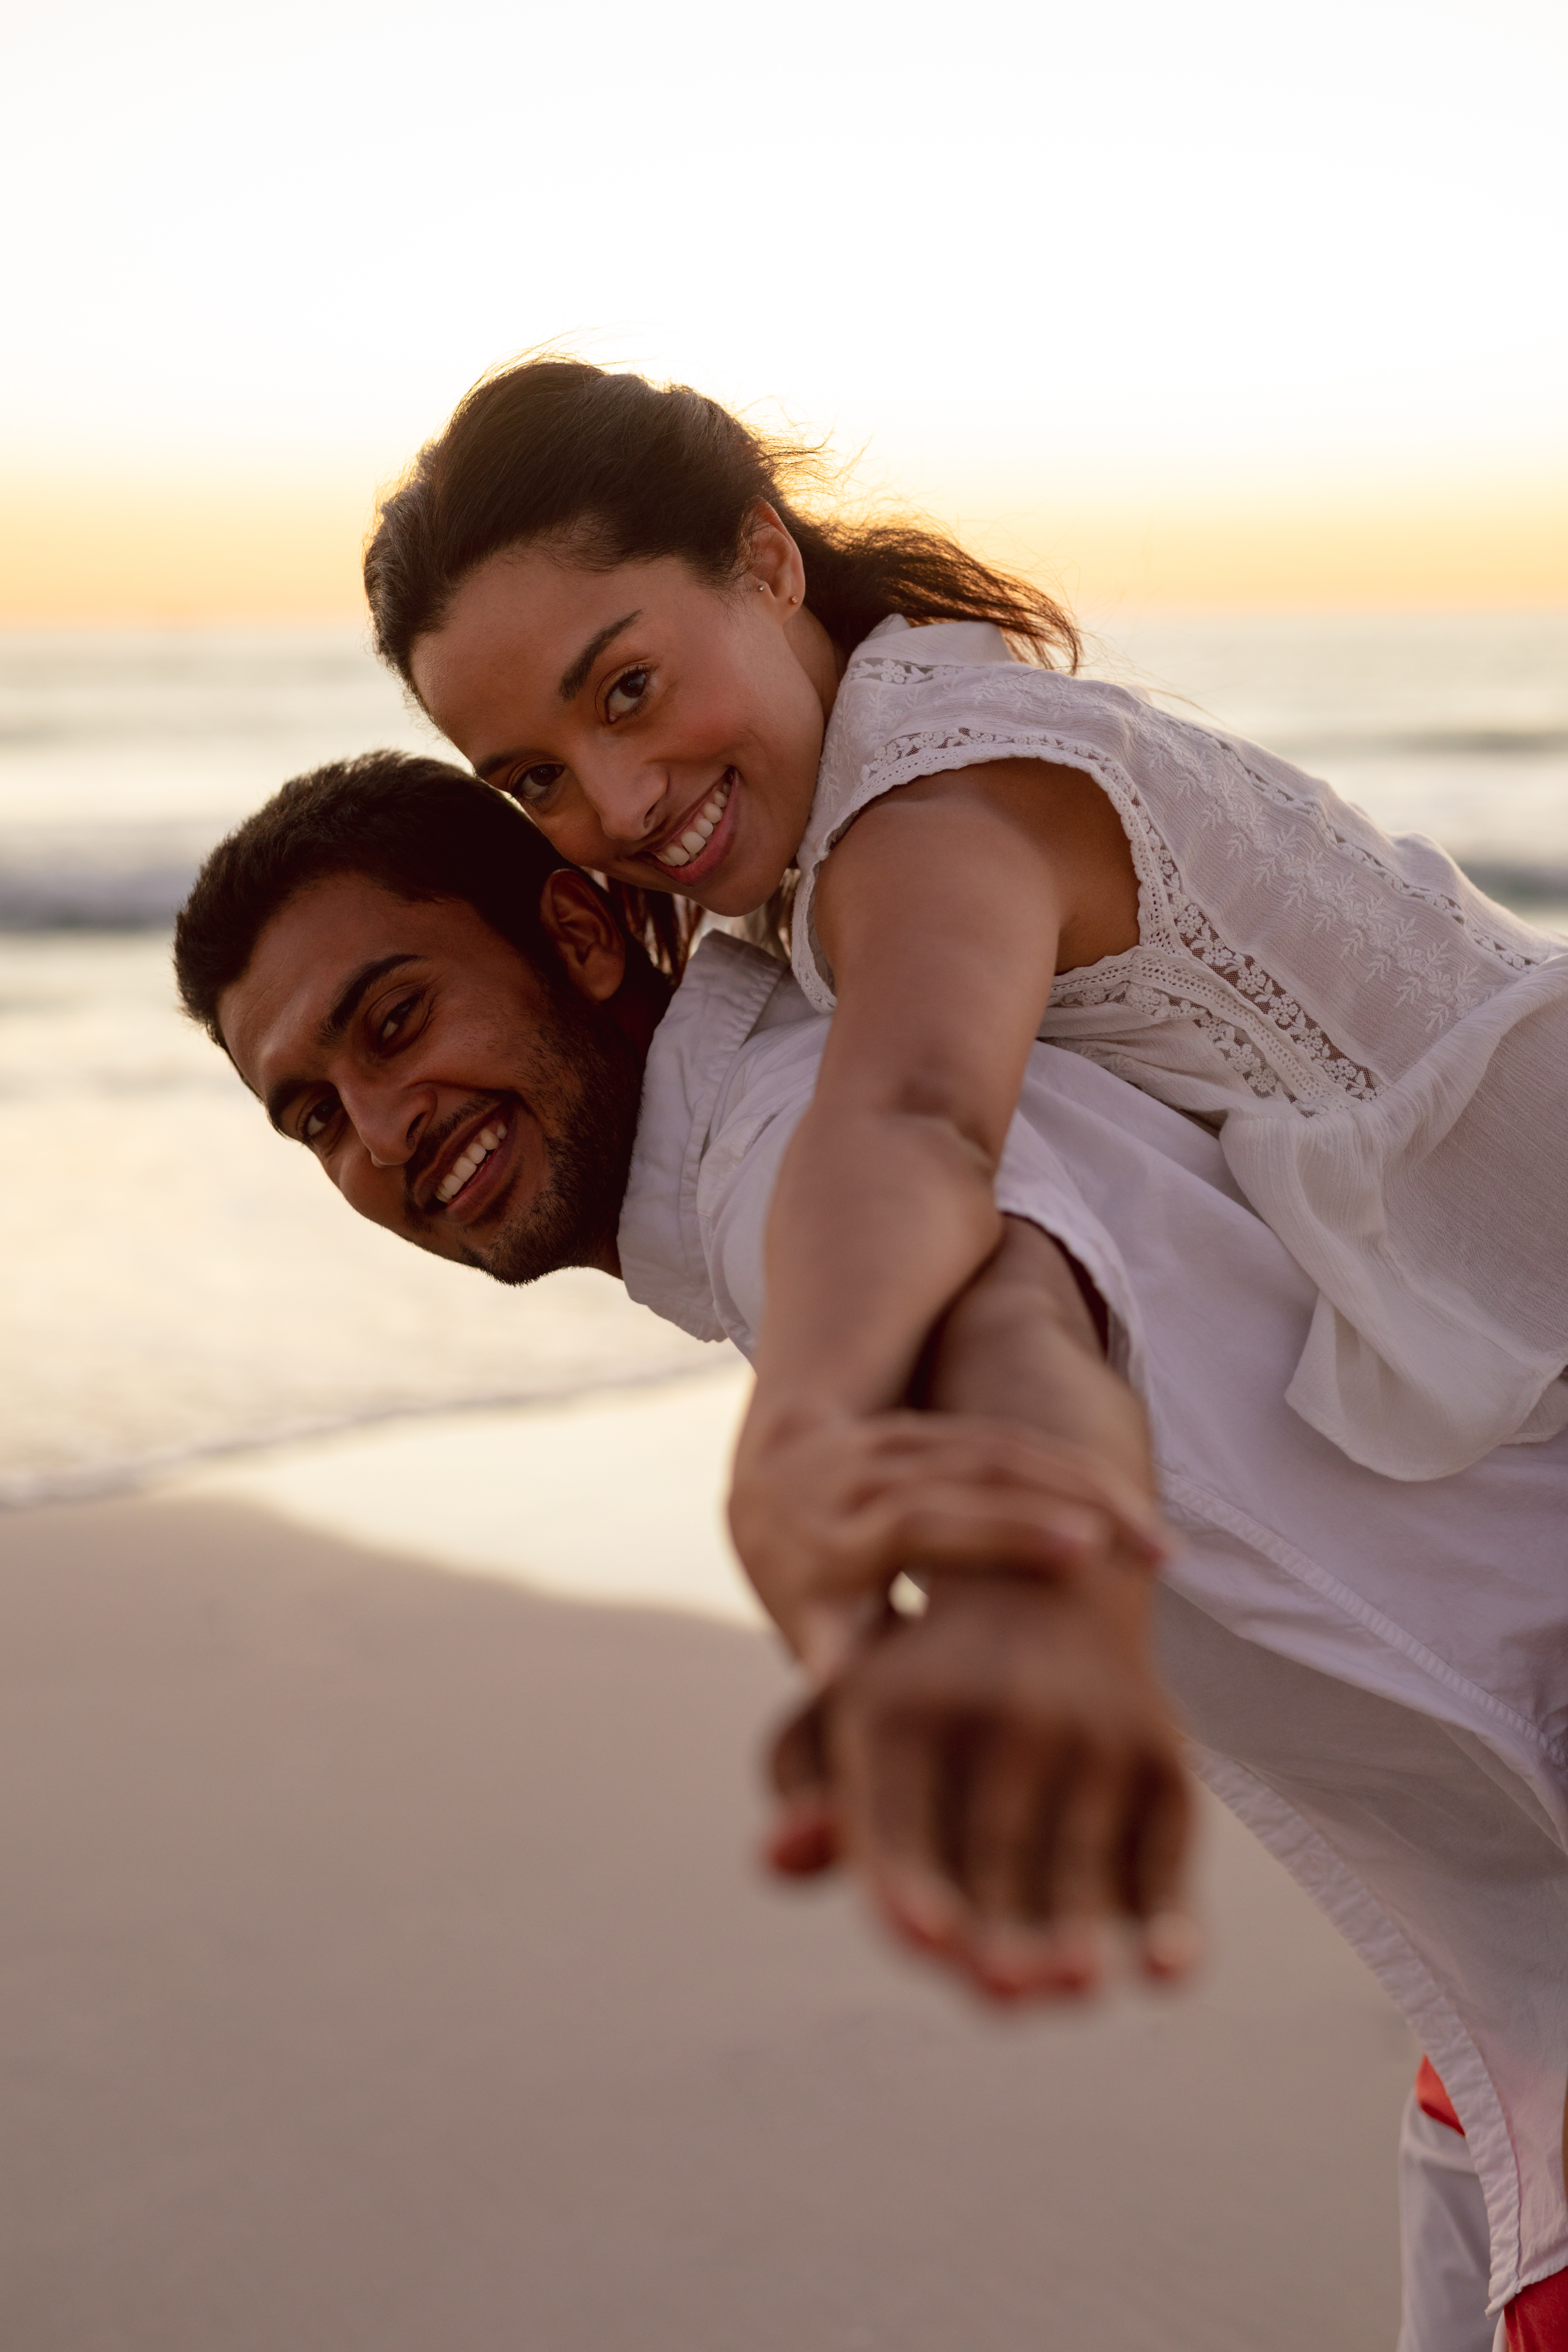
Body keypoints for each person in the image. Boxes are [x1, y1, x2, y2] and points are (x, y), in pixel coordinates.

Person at [175, 754, 1568, 2347]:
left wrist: (1006, 1578)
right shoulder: (843, 1041)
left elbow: (1001, 1296)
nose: (379, 1134)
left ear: (578, 932)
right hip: (1493, 1985)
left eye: (397, 1021)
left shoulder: (790, 1146)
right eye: (312, 1117)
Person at [360, 356, 1568, 1701]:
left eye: (627, 688)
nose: (622, 805)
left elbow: (917, 1115)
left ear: (765, 561)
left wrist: (806, 1423)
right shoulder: (872, 764)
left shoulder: (931, 812)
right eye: (538, 778)